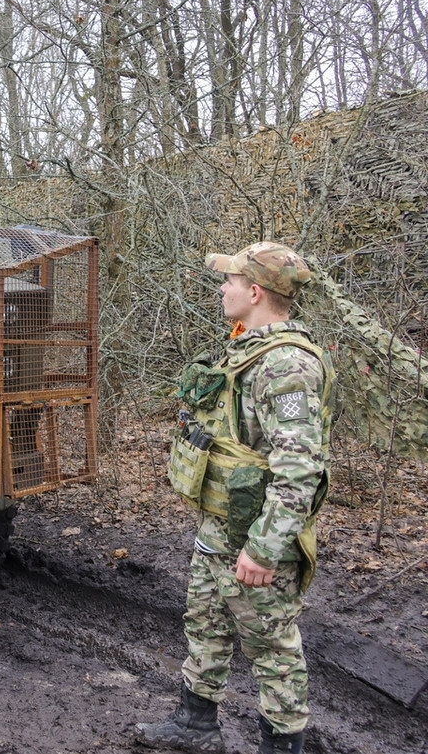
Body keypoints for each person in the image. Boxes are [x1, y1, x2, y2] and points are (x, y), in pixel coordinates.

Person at [135, 241, 334, 754]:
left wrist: (265, 549)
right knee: (205, 623)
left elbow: (300, 470)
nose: (221, 288)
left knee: (273, 647)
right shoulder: (246, 347)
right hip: (219, 528)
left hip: (257, 539)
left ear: (254, 290)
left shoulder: (286, 367)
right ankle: (195, 724)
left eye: (228, 281)